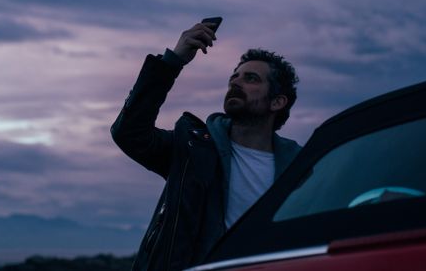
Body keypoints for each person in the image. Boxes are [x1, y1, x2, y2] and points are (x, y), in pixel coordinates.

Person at [111, 21, 301, 271]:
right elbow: (129, 133)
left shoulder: (300, 166)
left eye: (250, 78)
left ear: (277, 102)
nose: (236, 82)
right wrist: (172, 62)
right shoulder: (192, 149)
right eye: (234, 77)